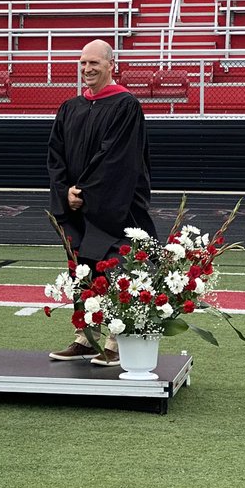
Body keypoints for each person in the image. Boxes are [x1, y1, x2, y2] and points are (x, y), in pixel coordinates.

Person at [46, 39, 156, 367]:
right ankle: (86, 337)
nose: (87, 68)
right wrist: (65, 191)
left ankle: (116, 342)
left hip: (115, 205)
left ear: (111, 65)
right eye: (82, 62)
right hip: (78, 206)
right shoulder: (70, 107)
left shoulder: (125, 106)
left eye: (94, 62)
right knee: (83, 270)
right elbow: (56, 155)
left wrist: (86, 194)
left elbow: (116, 159)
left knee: (117, 271)